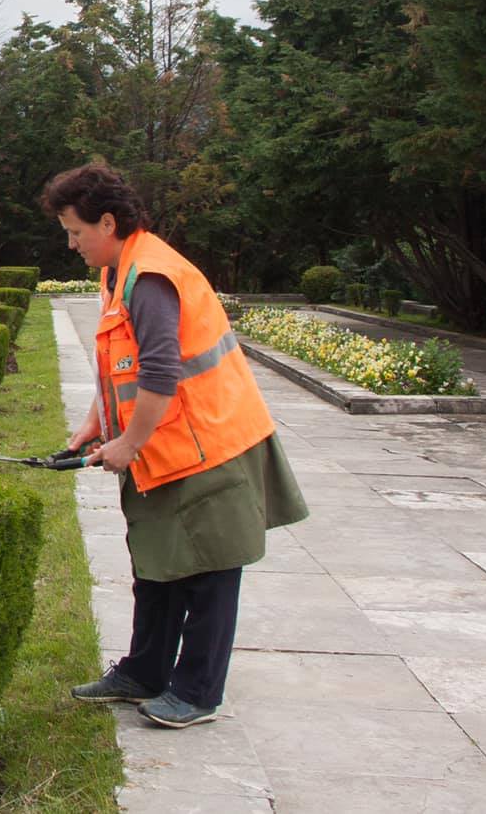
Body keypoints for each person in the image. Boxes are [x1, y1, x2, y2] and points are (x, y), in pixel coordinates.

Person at [43, 160, 307, 729]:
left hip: (210, 444)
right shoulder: (119, 269)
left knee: (209, 570)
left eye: (75, 231)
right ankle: (144, 672)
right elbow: (123, 364)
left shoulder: (152, 276)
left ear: (107, 223)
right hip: (170, 445)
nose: (71, 244)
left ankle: (197, 693)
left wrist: (128, 444)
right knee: (158, 563)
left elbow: (162, 373)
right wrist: (97, 421)